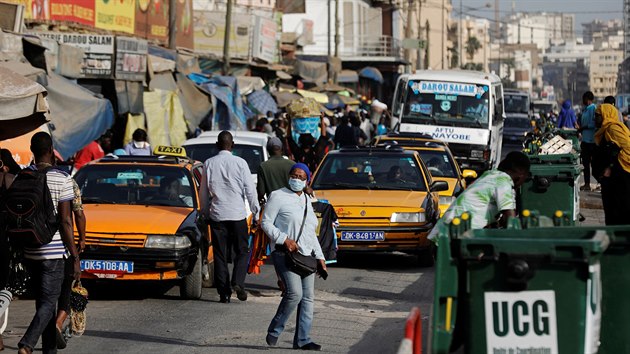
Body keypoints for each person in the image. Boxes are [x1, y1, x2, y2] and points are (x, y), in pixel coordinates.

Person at [18, 132, 81, 354]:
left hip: (29, 249)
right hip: (53, 252)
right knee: (49, 302)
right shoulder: (62, 178)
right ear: (51, 149)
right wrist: (74, 256)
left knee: (42, 302)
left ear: (32, 150)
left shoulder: (22, 176)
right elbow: (65, 220)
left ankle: (49, 350)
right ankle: (27, 344)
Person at [262, 163, 326, 351]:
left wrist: (320, 257)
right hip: (284, 253)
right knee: (295, 293)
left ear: (307, 180)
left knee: (308, 298)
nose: (296, 179)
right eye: (294, 175)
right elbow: (266, 223)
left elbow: (310, 232)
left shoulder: (307, 199)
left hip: (305, 255)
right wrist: (284, 238)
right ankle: (274, 329)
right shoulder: (277, 195)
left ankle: (303, 339)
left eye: (301, 177)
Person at [199, 131, 260, 303]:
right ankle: (238, 282)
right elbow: (250, 190)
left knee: (219, 255)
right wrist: (256, 212)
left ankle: (223, 293)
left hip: (217, 215)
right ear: (232, 145)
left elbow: (203, 192)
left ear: (218, 145)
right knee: (242, 251)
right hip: (237, 214)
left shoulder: (209, 163)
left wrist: (204, 212)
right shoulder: (240, 163)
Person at [428, 151, 531, 242]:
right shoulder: (503, 182)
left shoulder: (490, 175)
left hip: (443, 234)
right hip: (453, 238)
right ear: (520, 176)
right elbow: (510, 219)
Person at [54, 177, 87, 349]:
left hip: (33, 245)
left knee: (46, 295)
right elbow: (78, 213)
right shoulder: (67, 181)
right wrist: (81, 240)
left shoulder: (29, 177)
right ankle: (58, 324)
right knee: (67, 287)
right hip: (62, 245)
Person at [593, 103, 630, 225]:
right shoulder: (605, 130)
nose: (595, 118)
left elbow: (628, 148)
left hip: (620, 179)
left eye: (597, 115)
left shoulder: (613, 129)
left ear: (606, 115)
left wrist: (612, 167)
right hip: (611, 182)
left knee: (619, 213)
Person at [257, 137, 295, 203]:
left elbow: (261, 192)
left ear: (268, 150)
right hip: (290, 203)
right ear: (282, 149)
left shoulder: (263, 166)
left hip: (273, 204)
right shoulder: (292, 164)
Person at [579, 91, 597, 191]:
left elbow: (593, 124)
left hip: (592, 141)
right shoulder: (585, 110)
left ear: (588, 99)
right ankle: (587, 184)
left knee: (594, 165)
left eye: (584, 99)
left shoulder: (593, 109)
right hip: (585, 140)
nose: (583, 101)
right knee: (585, 164)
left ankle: (601, 183)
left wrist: (583, 128)